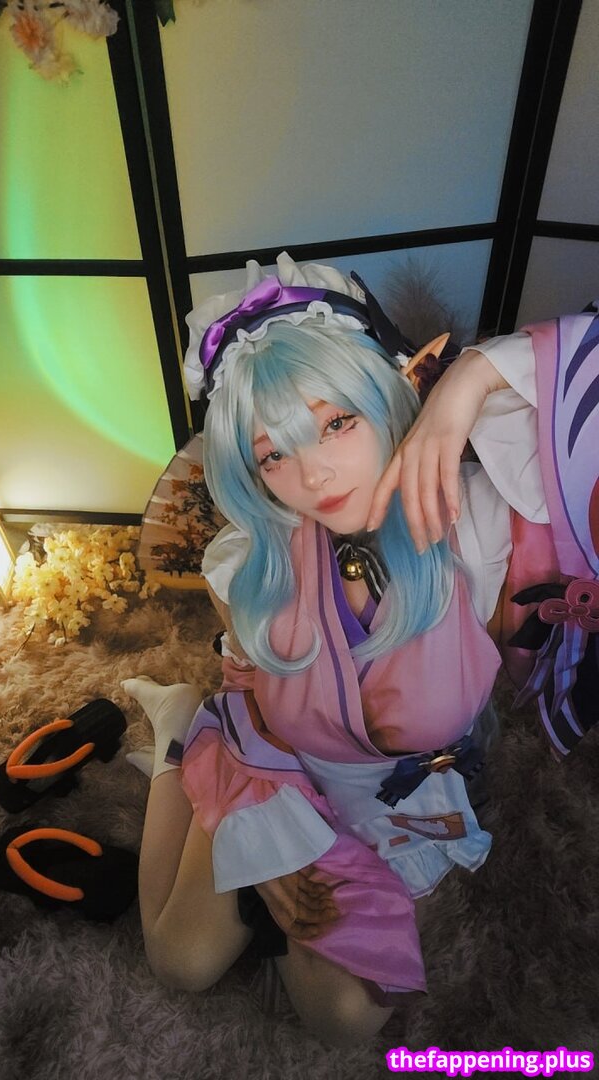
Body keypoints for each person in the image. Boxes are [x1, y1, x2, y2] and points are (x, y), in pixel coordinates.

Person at [123, 253, 599, 1047]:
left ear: (386, 394)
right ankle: (177, 731)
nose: (313, 474)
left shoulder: (478, 528)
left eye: (337, 422)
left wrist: (468, 383)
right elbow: (253, 700)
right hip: (274, 767)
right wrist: (270, 840)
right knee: (181, 960)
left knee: (344, 1018)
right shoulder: (251, 560)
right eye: (274, 453)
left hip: (395, 795)